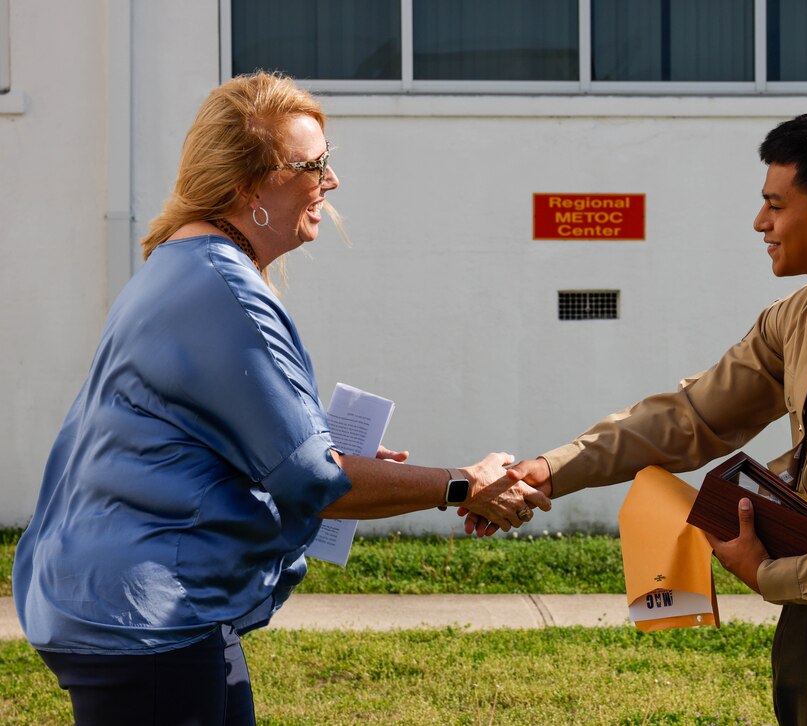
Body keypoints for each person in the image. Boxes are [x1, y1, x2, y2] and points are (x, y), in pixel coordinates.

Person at [13, 71, 550, 725]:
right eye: (312, 164)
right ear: (246, 185)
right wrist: (465, 485)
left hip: (133, 604)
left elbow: (196, 444)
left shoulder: (181, 265)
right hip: (146, 614)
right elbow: (314, 484)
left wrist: (312, 446)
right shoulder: (224, 289)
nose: (331, 181)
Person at [472, 108, 807, 724]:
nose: (760, 222)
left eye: (776, 205)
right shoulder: (799, 315)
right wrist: (552, 469)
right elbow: (692, 416)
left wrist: (772, 574)